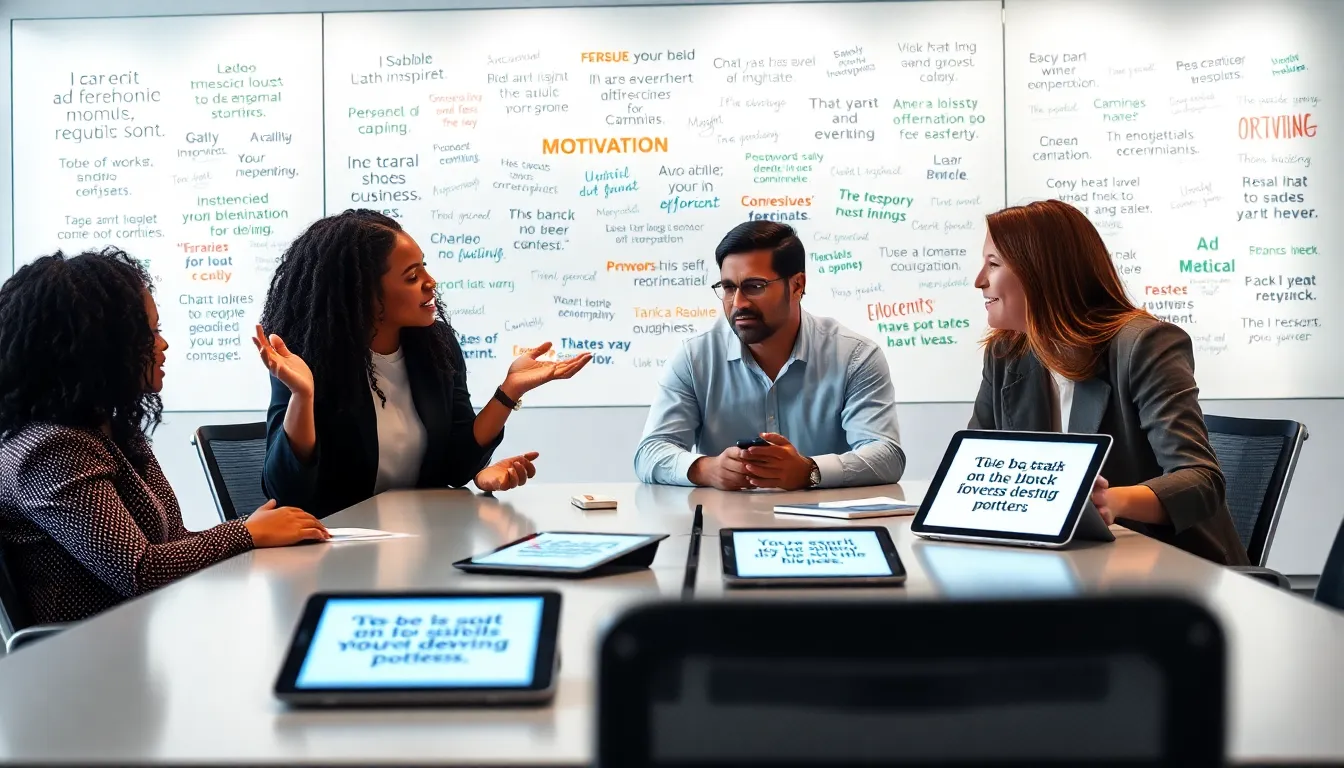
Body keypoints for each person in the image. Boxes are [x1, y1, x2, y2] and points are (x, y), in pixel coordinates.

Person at [0, 248, 328, 625]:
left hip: (146, 635)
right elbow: (139, 571)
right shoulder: (47, 449)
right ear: (97, 346)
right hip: (89, 660)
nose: (163, 344)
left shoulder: (111, 430)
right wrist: (246, 533)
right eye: (150, 332)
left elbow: (172, 542)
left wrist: (252, 530)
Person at [256, 209, 591, 518]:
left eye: (424, 267)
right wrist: (302, 397)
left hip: (418, 540)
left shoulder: (435, 347)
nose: (430, 282)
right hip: (336, 552)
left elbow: (455, 466)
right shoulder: (308, 356)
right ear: (363, 293)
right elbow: (287, 495)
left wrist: (508, 391)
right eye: (412, 275)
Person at [970, 199, 1248, 565]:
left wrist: (1110, 501)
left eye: (993, 264)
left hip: (1168, 570)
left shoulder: (1145, 346)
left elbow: (1200, 480)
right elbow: (978, 462)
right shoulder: (1007, 353)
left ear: (1043, 272)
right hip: (1062, 564)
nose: (979, 281)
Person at [634, 220, 905, 490]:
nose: (738, 303)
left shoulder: (855, 357)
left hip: (827, 526)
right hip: (723, 524)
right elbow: (650, 452)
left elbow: (886, 455)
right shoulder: (695, 358)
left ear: (797, 285)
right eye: (729, 288)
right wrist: (707, 469)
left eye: (755, 286)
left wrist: (810, 471)